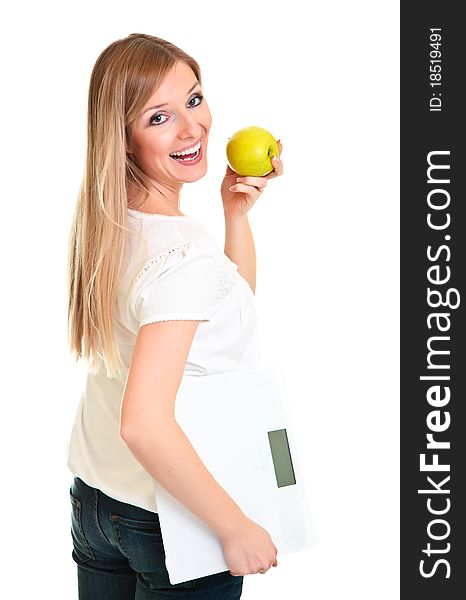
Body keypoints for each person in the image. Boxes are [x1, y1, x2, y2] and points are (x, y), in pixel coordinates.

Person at [66, 33, 284, 599]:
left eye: (194, 99)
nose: (192, 128)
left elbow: (223, 324)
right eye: (159, 116)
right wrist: (235, 528)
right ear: (126, 138)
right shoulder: (181, 255)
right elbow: (143, 423)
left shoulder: (109, 230)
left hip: (97, 501)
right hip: (170, 521)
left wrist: (235, 214)